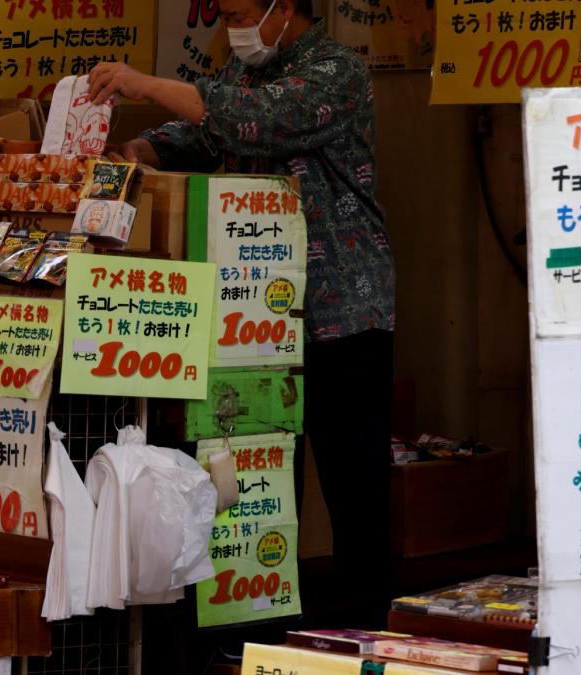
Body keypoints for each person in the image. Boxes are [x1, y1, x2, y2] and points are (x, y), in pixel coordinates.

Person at [89, 0, 395, 620]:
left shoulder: (337, 70)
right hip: (253, 308)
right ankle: (262, 628)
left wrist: (144, 83)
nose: (232, 26)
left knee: (352, 479)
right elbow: (203, 135)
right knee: (256, 472)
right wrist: (142, 149)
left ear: (285, 9)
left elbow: (255, 121)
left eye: (239, 11)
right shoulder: (243, 67)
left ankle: (367, 630)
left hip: (340, 305)